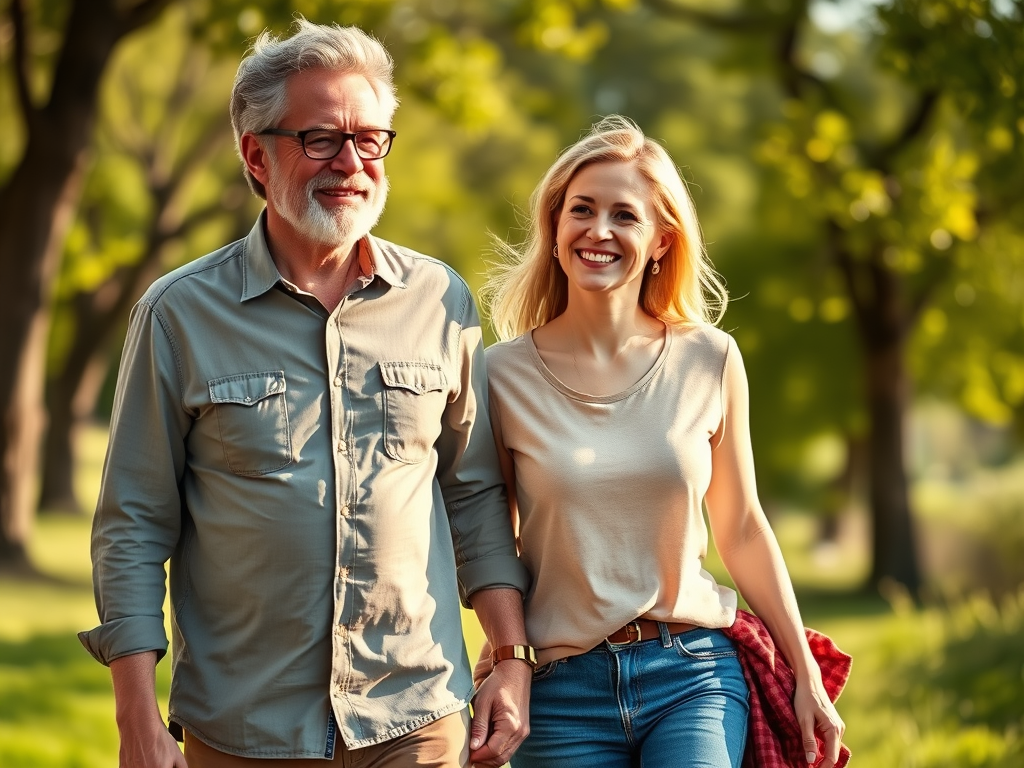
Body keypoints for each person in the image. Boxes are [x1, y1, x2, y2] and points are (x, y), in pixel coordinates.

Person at [79, 19, 534, 768]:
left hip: (416, 715)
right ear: (256, 154)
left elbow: (474, 493)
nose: (351, 162)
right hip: (244, 726)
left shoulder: (439, 298)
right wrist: (135, 712)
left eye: (371, 139)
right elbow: (132, 521)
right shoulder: (178, 313)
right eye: (320, 138)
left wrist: (511, 654)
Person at [479, 115, 847, 768]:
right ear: (555, 227)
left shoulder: (710, 358)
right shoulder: (500, 374)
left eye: (625, 215)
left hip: (692, 676)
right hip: (562, 689)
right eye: (581, 210)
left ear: (660, 240)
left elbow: (741, 527)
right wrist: (505, 657)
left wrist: (805, 674)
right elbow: (490, 542)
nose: (599, 231)